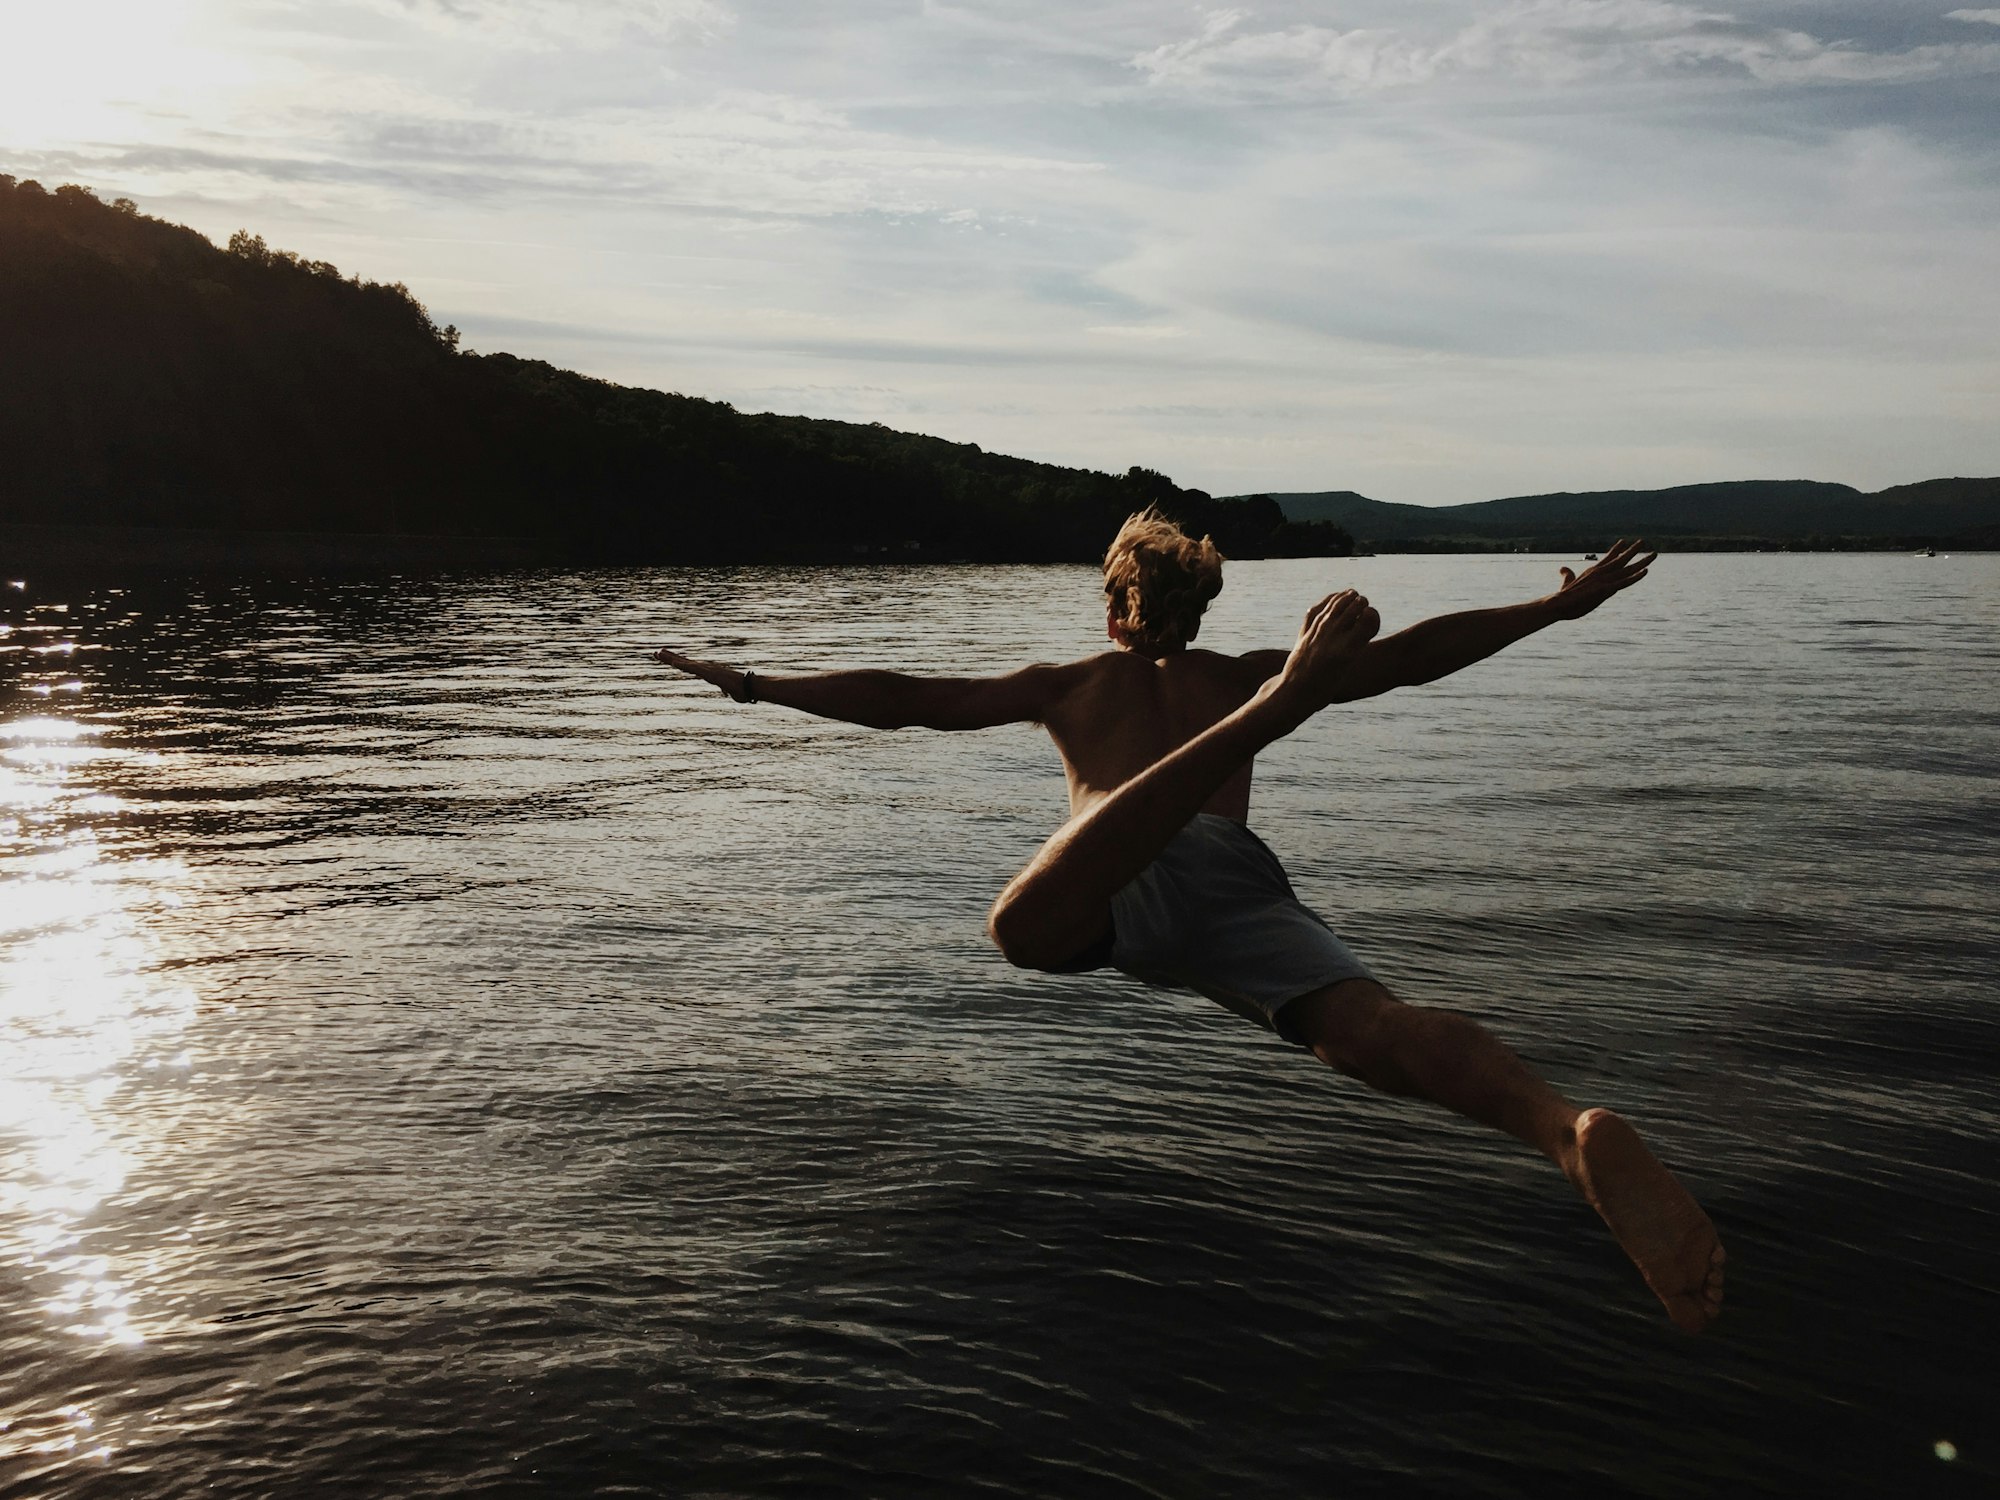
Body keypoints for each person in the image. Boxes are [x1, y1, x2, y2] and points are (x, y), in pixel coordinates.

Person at [655, 510, 1725, 1333]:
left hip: (1117, 866)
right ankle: (1561, 1133)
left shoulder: (1066, 683)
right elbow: (1412, 656)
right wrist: (1550, 609)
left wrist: (754, 684)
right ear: (1196, 611)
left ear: (1113, 611)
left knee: (1019, 933)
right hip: (1236, 885)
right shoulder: (1233, 669)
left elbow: (903, 696)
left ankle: (1233, 746)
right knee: (1372, 1031)